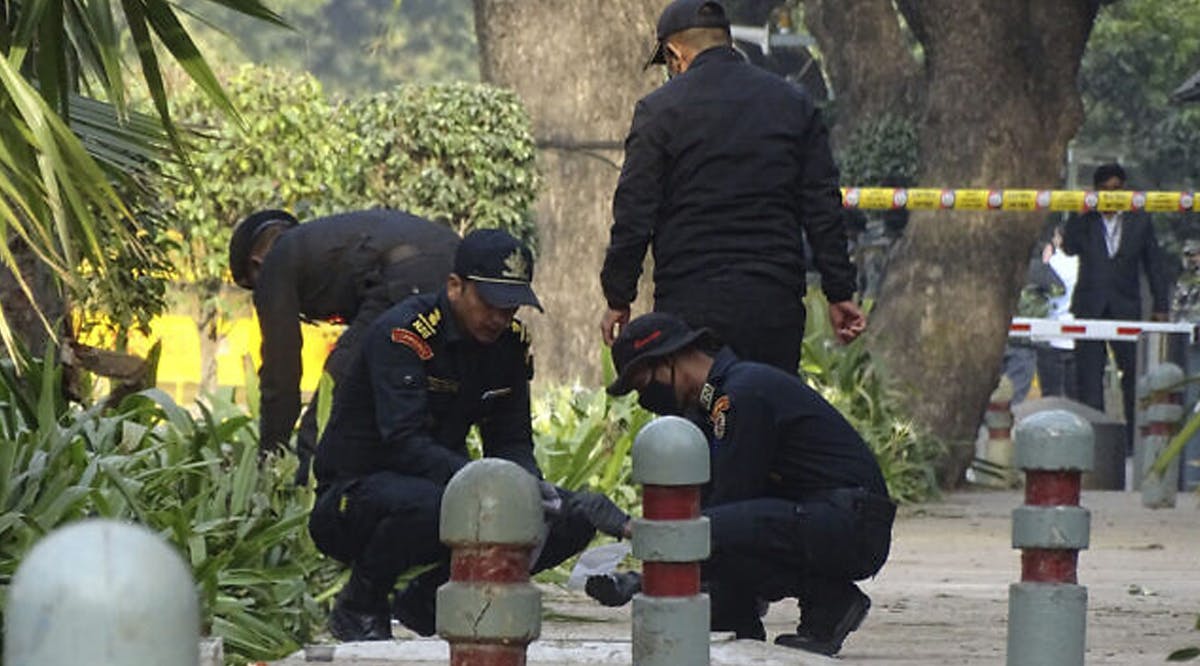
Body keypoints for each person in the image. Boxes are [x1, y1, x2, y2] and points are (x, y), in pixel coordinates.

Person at [307, 228, 625, 642]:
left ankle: (428, 601)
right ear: (455, 287)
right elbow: (403, 444)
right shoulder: (405, 335)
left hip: (442, 488)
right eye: (490, 304)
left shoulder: (508, 344)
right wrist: (489, 488)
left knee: (568, 517)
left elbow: (511, 440)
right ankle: (360, 604)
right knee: (440, 504)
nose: (500, 318)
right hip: (357, 497)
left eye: (511, 308)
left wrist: (532, 491)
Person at [593, 311, 894, 656]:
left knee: (712, 528)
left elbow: (730, 503)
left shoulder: (740, 393)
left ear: (669, 359)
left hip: (851, 523)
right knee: (715, 527)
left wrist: (648, 568)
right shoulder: (719, 400)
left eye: (645, 384)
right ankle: (789, 611)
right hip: (831, 517)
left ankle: (826, 601)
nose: (646, 399)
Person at [599, 0, 865, 374]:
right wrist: (839, 291)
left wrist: (618, 297)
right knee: (764, 417)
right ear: (727, 42)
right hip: (773, 305)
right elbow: (822, 206)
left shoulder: (659, 111)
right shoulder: (793, 104)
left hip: (690, 309)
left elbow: (633, 214)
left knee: (698, 426)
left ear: (675, 54)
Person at [228, 208, 460, 483]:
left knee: (326, 418)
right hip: (457, 272)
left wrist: (269, 458)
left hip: (404, 280)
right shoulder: (328, 240)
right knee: (414, 414)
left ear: (256, 264)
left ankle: (306, 510)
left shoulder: (276, 262)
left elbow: (282, 373)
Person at [1063, 163, 1169, 453]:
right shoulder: (1085, 219)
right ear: (1096, 191)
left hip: (1126, 308)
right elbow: (1069, 248)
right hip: (1090, 307)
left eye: (1117, 189)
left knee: (1134, 378)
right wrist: (1079, 213)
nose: (1111, 195)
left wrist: (1161, 305)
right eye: (1106, 190)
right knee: (1089, 378)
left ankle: (1134, 445)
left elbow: (1154, 265)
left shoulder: (1139, 220)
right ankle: (1091, 447)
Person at [1035, 223, 1080, 398]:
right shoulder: (1084, 263)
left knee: (1050, 396)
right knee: (1075, 397)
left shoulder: (1051, 263)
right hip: (1076, 335)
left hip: (1050, 335)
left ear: (1059, 239)